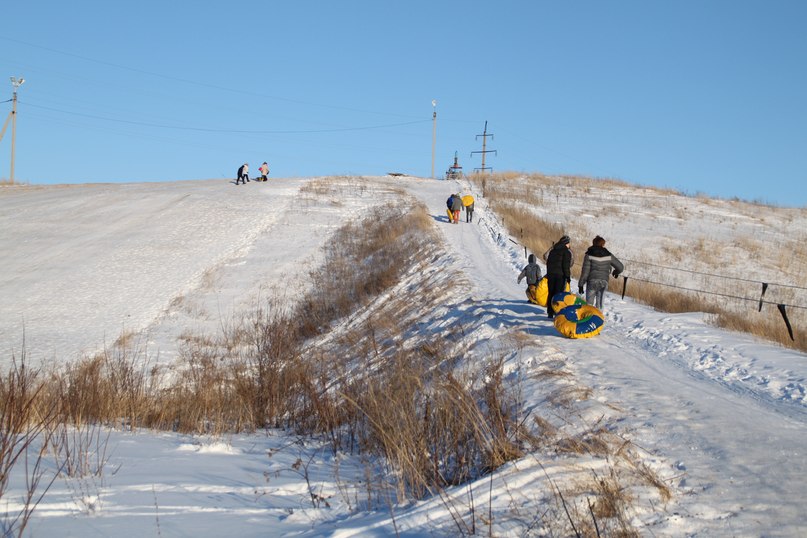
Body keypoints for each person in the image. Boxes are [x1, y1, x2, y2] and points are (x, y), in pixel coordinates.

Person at [579, 235, 624, 311]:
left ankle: (588, 320)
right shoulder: (608, 255)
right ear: (603, 244)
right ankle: (598, 321)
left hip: (592, 282)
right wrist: (615, 272)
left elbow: (585, 272)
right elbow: (621, 267)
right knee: (600, 306)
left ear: (593, 243)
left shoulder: (588, 255)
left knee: (589, 305)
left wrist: (581, 285)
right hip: (603, 282)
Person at [545, 235, 572, 319]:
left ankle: (550, 312)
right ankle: (557, 311)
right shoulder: (566, 252)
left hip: (551, 274)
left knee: (551, 293)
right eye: (569, 243)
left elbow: (548, 263)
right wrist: (567, 276)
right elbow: (566, 266)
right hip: (560, 275)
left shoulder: (553, 250)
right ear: (566, 243)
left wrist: (549, 273)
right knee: (558, 294)